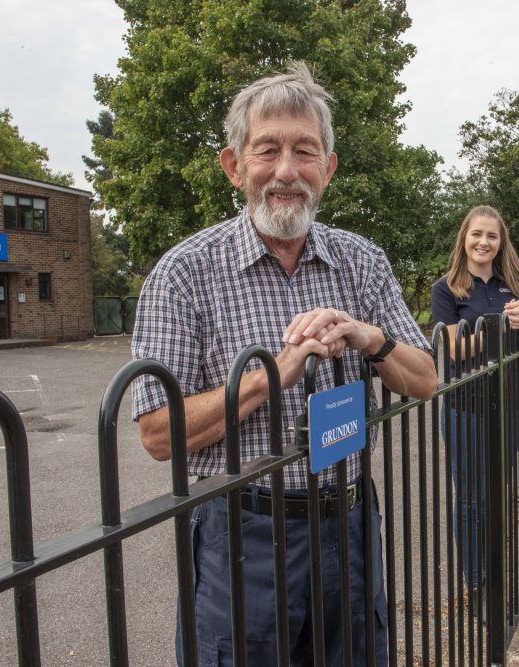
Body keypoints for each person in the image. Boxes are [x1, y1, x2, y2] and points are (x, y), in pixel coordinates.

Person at [131, 62, 438, 666]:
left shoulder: (362, 262)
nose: (287, 171)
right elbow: (157, 433)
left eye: (305, 150)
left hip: (347, 526)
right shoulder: (184, 273)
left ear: (328, 168)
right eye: (267, 149)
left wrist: (369, 337)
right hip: (241, 533)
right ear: (234, 165)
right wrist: (274, 372)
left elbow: (425, 380)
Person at [430, 205, 519, 587]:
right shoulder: (446, 288)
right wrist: (497, 327)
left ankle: (493, 563)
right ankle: (476, 579)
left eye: (492, 236)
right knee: (471, 498)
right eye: (477, 234)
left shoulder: (514, 284)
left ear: (501, 243)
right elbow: (452, 349)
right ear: (464, 238)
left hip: (509, 404)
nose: (484, 242)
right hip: (468, 408)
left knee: (497, 491)